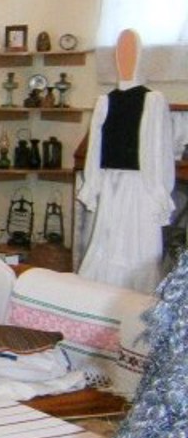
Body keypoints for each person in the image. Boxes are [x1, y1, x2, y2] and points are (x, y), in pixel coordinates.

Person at [77, 28, 175, 292]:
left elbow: (159, 149)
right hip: (111, 184)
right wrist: (94, 184)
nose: (125, 59)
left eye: (130, 53)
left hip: (141, 187)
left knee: (137, 245)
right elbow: (95, 149)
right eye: (121, 53)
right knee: (107, 241)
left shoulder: (152, 100)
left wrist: (158, 191)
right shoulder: (105, 102)